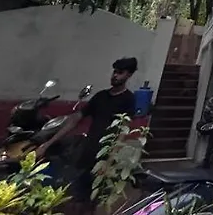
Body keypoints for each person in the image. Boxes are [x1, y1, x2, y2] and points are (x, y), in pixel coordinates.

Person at [37, 57, 138, 212]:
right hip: (87, 151)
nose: (115, 76)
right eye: (114, 72)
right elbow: (76, 119)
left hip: (103, 156)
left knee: (92, 199)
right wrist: (47, 144)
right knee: (73, 193)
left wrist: (108, 161)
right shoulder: (101, 96)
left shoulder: (128, 100)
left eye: (120, 73)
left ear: (129, 75)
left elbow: (122, 132)